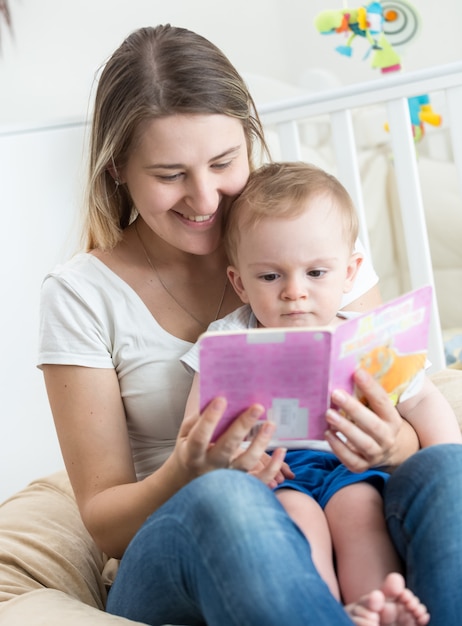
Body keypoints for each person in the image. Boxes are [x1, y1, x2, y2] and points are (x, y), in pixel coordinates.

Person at [36, 23, 462, 626]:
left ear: (249, 140)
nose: (205, 197)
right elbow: (106, 523)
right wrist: (188, 469)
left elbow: (393, 392)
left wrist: (397, 445)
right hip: (183, 539)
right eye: (169, 174)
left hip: (345, 491)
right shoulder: (81, 294)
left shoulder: (312, 237)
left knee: (450, 470)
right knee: (229, 498)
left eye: (222, 161)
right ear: (118, 171)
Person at [183, 161, 462, 622]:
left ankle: (378, 604)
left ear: (350, 272)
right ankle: (330, 612)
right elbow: (195, 431)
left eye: (316, 273)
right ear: (239, 282)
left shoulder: (367, 338)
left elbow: (424, 398)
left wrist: (448, 455)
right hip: (276, 474)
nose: (295, 292)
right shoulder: (224, 341)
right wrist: (235, 463)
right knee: (299, 522)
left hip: (350, 466)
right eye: (271, 277)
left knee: (361, 513)